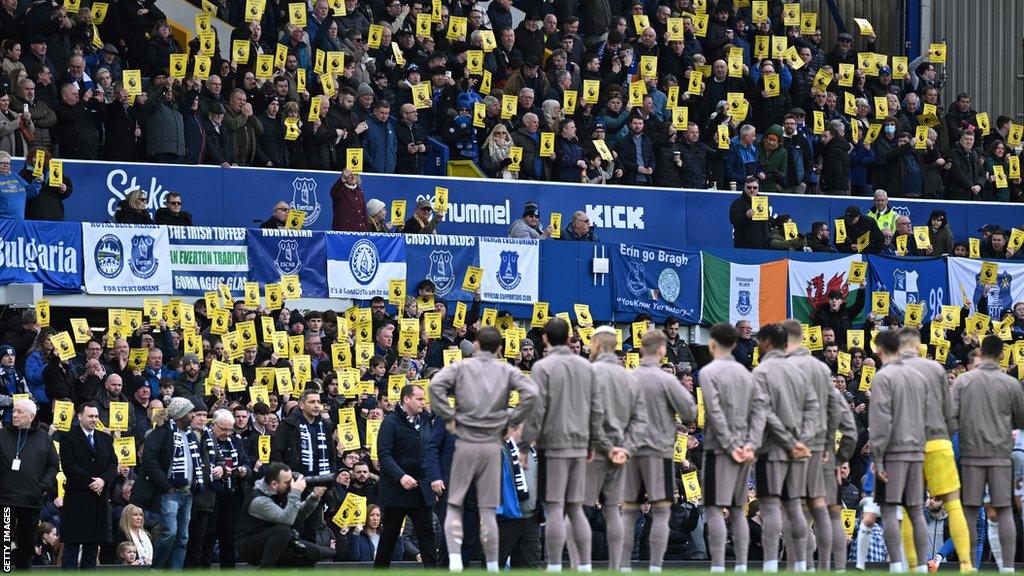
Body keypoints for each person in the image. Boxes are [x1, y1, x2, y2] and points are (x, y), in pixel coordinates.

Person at [429, 326, 538, 572]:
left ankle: (456, 559)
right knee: (487, 510)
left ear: (476, 344)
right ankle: (491, 562)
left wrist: (449, 416)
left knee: (455, 505)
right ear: (500, 348)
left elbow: (435, 386)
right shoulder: (506, 369)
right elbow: (531, 393)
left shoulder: (462, 366)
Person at [521, 317, 609, 572]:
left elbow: (536, 410)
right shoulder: (586, 366)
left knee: (556, 508)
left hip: (553, 445)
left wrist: (526, 445)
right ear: (569, 337)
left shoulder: (543, 367)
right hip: (580, 444)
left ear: (545, 338)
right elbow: (598, 409)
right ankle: (583, 565)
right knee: (577, 507)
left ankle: (556, 565)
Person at [618, 330, 696, 572]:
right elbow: (690, 412)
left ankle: (623, 565)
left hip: (633, 453)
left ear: (641, 348)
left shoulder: (629, 378)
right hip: (659, 454)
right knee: (661, 513)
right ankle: (654, 567)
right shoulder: (667, 381)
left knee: (629, 511)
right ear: (662, 351)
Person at [897, 327, 973, 571]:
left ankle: (915, 566)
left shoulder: (891, 372)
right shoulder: (936, 370)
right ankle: (966, 564)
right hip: (939, 441)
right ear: (919, 345)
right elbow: (949, 412)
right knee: (953, 503)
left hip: (909, 445)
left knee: (913, 506)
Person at [950, 335, 1024, 571]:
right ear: (1002, 354)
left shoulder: (964, 381)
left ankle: (969, 566)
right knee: (1003, 510)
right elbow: (1021, 421)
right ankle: (1008, 568)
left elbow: (950, 417)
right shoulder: (1011, 384)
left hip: (971, 456)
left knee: (970, 511)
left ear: (981, 352)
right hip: (1001, 457)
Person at [750, 323, 816, 573]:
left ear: (767, 342)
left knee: (770, 507)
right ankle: (803, 565)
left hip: (772, 448)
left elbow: (762, 413)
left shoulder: (762, 372)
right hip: (801, 450)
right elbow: (814, 409)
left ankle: (770, 564)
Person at [700, 323, 763, 573]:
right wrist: (751, 444)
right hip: (743, 449)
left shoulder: (708, 373)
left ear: (713, 344)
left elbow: (713, 412)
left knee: (715, 508)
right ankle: (741, 566)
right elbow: (760, 410)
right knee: (738, 509)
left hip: (720, 449)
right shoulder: (747, 375)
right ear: (735, 344)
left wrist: (730, 445)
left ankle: (717, 565)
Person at [781, 319, 843, 571]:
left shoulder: (779, 368)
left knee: (791, 511)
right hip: (820, 448)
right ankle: (829, 567)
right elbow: (835, 410)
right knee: (824, 511)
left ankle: (798, 564)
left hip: (793, 448)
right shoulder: (821, 370)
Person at [869, 329, 931, 573]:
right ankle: (922, 567)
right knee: (916, 509)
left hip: (893, 452)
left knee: (889, 509)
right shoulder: (919, 377)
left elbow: (881, 421)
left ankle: (896, 566)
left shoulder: (883, 377)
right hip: (916, 450)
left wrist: (878, 458)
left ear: (879, 349)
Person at [130, 397, 203, 569]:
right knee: (170, 532)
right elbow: (148, 459)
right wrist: (165, 485)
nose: (193, 415)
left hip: (187, 493)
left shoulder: (191, 435)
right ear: (180, 414)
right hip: (170, 492)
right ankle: (156, 569)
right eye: (190, 412)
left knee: (183, 537)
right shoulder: (161, 433)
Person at [374, 384, 438, 567]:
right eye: (419, 398)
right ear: (406, 399)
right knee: (389, 537)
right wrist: (400, 476)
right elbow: (384, 455)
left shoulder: (426, 420)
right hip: (396, 491)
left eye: (423, 398)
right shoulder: (390, 422)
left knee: (427, 535)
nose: (423, 402)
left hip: (421, 490)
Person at [270, 389, 336, 540]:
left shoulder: (325, 426)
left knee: (311, 532)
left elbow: (332, 457)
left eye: (318, 402)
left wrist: (326, 484)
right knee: (293, 532)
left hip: (317, 488)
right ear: (301, 404)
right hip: (294, 488)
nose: (316, 405)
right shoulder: (288, 425)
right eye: (312, 402)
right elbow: (276, 455)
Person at [0, 398, 59, 569]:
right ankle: (5, 570)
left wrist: (41, 488)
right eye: (14, 411)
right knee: (4, 542)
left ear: (32, 416)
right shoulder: (2, 435)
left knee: (27, 544)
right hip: (5, 500)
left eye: (20, 412)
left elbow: (53, 466)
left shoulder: (44, 438)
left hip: (31, 502)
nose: (15, 414)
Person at [60, 401, 118, 569]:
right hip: (77, 499)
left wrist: (103, 481)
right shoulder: (68, 437)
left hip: (98, 500)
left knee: (92, 548)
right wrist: (91, 482)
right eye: (90, 416)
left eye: (96, 416)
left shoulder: (105, 438)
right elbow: (69, 466)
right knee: (71, 546)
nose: (94, 419)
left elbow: (112, 464)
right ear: (80, 417)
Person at [235, 462, 326, 567]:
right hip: (249, 546)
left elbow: (296, 517)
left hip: (275, 541)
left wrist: (314, 497)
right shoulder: (258, 500)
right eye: (287, 482)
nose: (291, 485)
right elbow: (287, 520)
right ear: (274, 484)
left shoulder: (280, 492)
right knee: (283, 530)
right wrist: (296, 492)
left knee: (313, 553)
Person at [728, 176, 769, 249]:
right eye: (749, 187)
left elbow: (767, 222)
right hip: (744, 245)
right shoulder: (737, 203)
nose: (752, 190)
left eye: (755, 188)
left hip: (762, 245)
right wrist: (745, 216)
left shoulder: (763, 201)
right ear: (744, 188)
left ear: (758, 188)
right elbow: (733, 220)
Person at [0, 150, 42, 218]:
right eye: (2, 163)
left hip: (19, 221)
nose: (6, 165)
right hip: (3, 223)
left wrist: (37, 182)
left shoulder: (15, 176)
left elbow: (30, 192)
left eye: (8, 163)